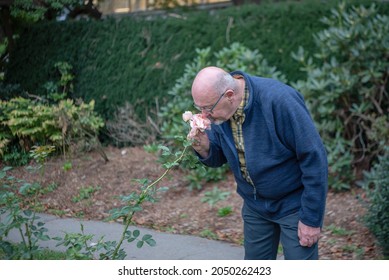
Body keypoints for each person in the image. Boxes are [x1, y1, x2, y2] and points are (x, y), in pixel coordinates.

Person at [188, 66, 328, 260]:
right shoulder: (221, 112)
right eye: (199, 108)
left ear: (229, 95)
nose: (204, 115)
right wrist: (203, 147)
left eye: (207, 108)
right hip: (255, 206)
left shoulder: (280, 100)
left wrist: (311, 218)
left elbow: (314, 157)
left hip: (293, 206)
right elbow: (217, 158)